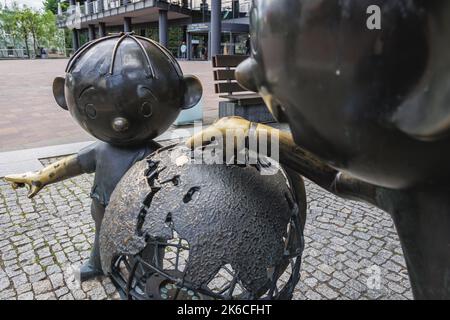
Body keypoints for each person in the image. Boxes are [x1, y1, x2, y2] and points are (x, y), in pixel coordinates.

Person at [5, 33, 202, 282]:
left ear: (186, 95)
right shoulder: (101, 150)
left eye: (145, 107)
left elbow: (180, 179)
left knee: (148, 244)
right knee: (102, 234)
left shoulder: (154, 154)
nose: (120, 123)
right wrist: (41, 177)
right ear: (62, 95)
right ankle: (98, 263)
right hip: (103, 204)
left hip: (144, 212)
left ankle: (149, 276)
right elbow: (72, 164)